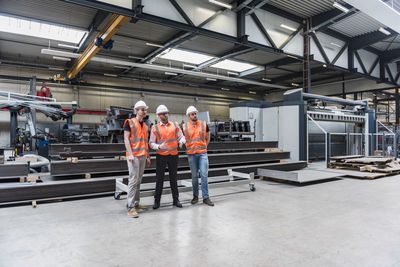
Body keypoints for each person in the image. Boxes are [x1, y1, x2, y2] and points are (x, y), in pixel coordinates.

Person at [150, 105, 185, 209]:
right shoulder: (155, 128)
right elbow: (151, 143)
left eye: (166, 113)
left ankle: (176, 200)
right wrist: (159, 146)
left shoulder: (175, 125)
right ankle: (157, 201)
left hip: (173, 155)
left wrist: (181, 142)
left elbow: (181, 136)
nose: (166, 115)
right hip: (161, 156)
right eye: (163, 113)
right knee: (159, 179)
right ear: (159, 115)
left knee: (173, 178)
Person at [123, 100, 151, 218]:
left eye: (145, 110)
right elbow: (126, 139)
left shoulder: (145, 125)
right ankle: (130, 207)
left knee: (139, 181)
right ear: (136, 111)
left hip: (143, 156)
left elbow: (145, 142)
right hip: (133, 156)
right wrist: (129, 154)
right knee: (133, 181)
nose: (144, 111)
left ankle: (136, 203)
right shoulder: (129, 122)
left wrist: (148, 156)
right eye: (142, 109)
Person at [182, 106, 214, 206]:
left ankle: (206, 197)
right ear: (188, 116)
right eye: (192, 114)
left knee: (204, 175)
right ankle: (195, 196)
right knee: (194, 176)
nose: (195, 115)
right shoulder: (184, 126)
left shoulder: (204, 124)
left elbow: (208, 135)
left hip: (202, 153)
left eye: (195, 113)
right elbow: (181, 138)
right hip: (191, 155)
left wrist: (205, 145)